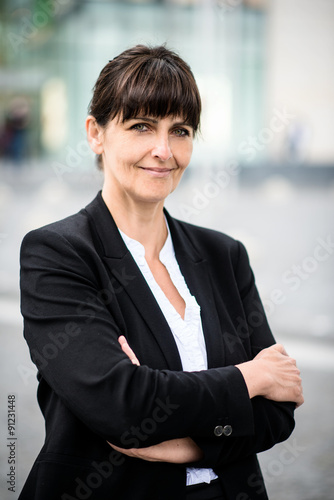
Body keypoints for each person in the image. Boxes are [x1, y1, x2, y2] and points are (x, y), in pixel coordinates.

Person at [19, 45, 303, 500]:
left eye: (181, 131)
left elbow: (278, 411)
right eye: (141, 126)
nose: (163, 151)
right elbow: (122, 404)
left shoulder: (225, 254)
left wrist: (182, 447)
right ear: (96, 133)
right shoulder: (59, 254)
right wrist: (250, 378)